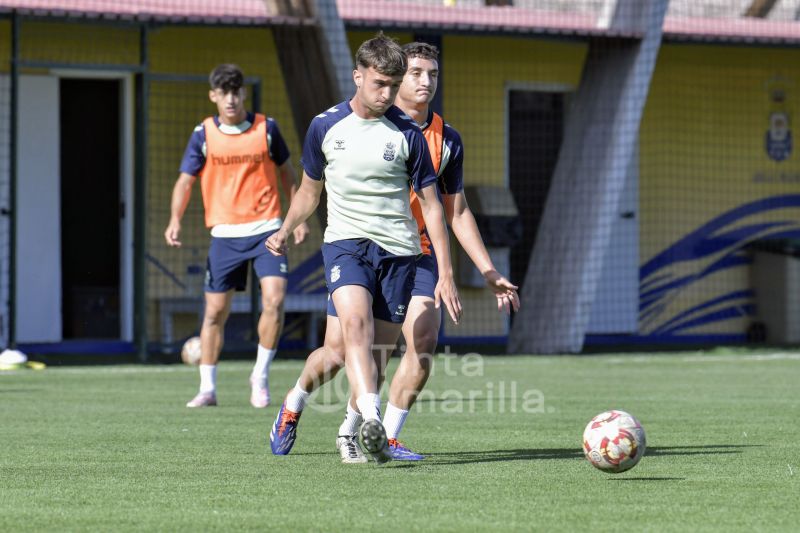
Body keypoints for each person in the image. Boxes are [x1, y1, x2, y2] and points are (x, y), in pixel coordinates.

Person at [270, 42, 520, 464]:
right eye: (414, 73)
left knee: (404, 347)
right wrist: (287, 227)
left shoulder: (433, 139)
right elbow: (310, 191)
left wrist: (466, 269)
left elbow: (447, 209)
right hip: (349, 244)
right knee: (344, 344)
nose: (423, 82)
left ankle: (370, 433)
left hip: (408, 251)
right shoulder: (329, 126)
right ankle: (303, 404)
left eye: (432, 74)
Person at [164, 63, 309, 409]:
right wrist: (175, 219)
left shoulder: (267, 129)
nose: (230, 99)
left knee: (274, 299)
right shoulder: (203, 134)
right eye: (223, 92)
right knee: (215, 312)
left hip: (267, 230)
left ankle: (259, 377)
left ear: (244, 93)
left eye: (236, 91)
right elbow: (185, 181)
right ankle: (207, 388)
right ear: (213, 96)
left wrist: (296, 218)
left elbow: (289, 174)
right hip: (225, 235)